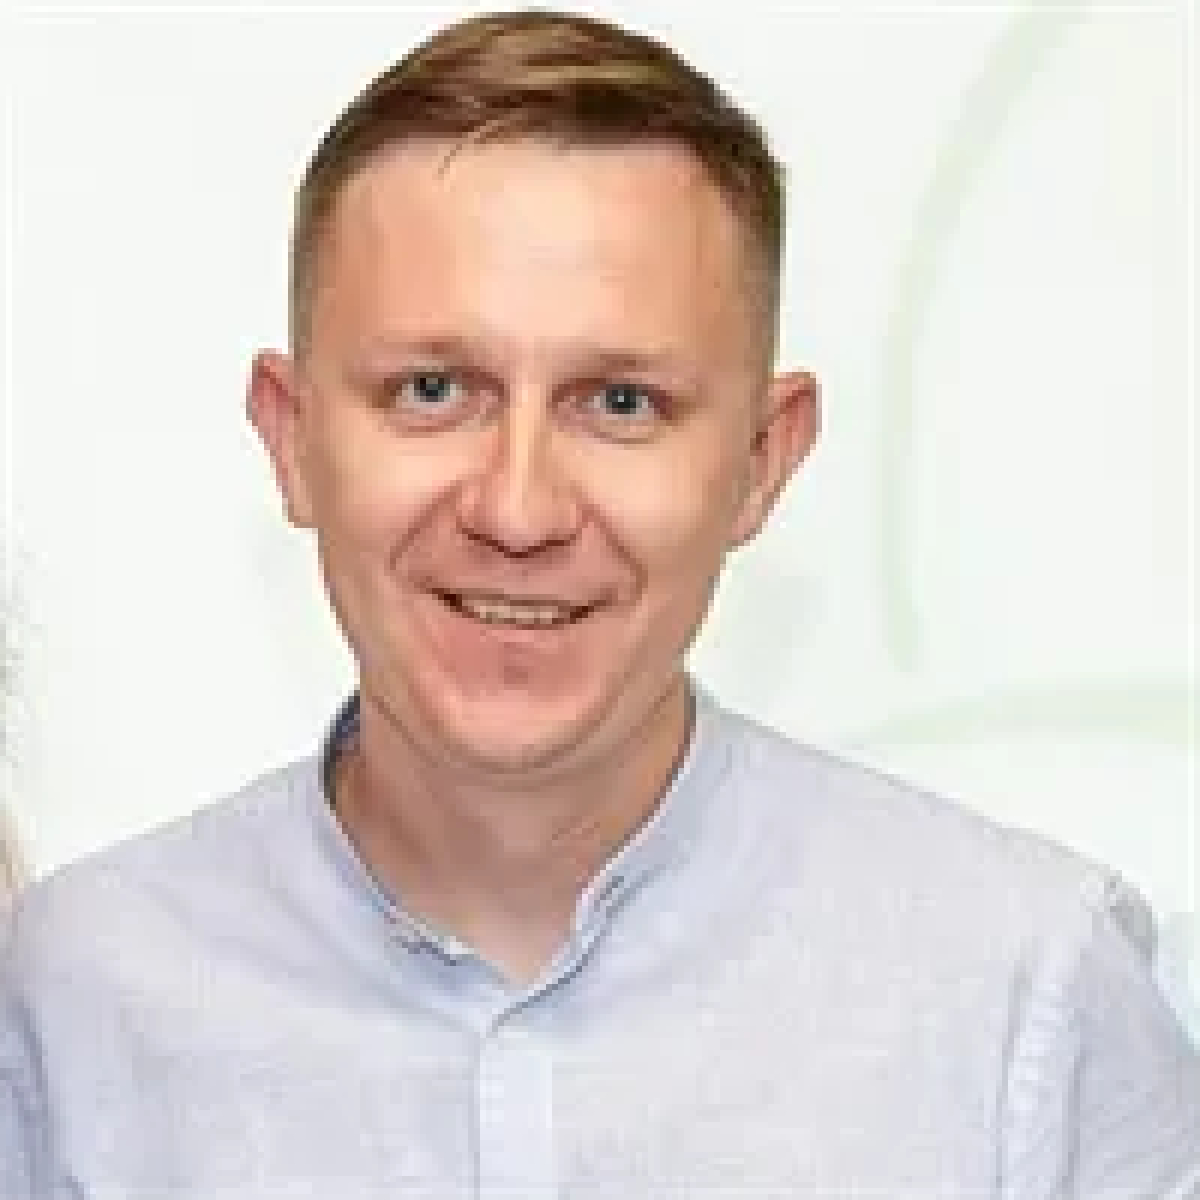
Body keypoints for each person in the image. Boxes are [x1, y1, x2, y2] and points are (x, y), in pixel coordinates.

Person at [3, 10, 1197, 1197]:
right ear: (293, 438)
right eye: (434, 390)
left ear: (763, 461)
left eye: (619, 404)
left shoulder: (1027, 998)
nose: (518, 510)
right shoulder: (61, 1012)